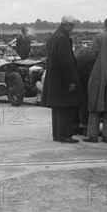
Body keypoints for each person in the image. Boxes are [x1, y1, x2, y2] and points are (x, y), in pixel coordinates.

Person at [41, 15, 81, 143]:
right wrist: (71, 81)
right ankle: (64, 135)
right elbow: (66, 62)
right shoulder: (63, 38)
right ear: (67, 25)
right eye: (72, 27)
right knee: (65, 108)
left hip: (54, 78)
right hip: (62, 80)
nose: (72, 30)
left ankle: (57, 135)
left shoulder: (53, 37)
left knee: (57, 108)